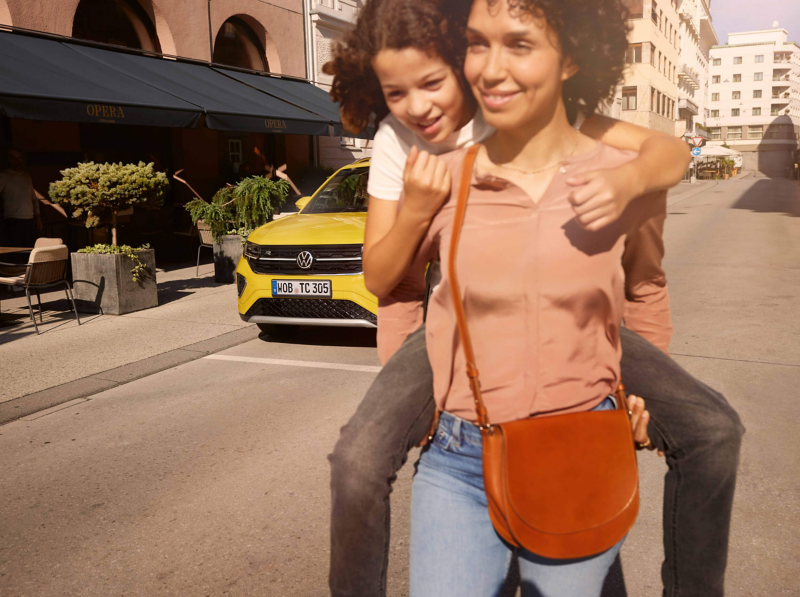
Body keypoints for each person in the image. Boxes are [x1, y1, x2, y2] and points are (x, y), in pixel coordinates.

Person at [325, 1, 744, 595]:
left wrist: (627, 182)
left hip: (576, 316)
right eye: (396, 92)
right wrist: (413, 400)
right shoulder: (404, 147)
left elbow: (664, 152)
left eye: (431, 82)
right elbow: (388, 284)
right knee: (358, 459)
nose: (419, 106)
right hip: (462, 314)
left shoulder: (523, 110)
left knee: (713, 429)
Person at [0, 149, 41, 249]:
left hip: (30, 220)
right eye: (14, 158)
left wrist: (38, 217)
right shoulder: (4, 176)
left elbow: (34, 198)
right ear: (9, 159)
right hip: (13, 220)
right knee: (16, 251)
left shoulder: (27, 176)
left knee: (30, 250)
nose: (17, 161)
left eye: (19, 158)